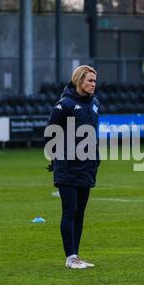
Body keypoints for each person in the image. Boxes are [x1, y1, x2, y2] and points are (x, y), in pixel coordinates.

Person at [45, 65, 100, 270]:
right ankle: (70, 257)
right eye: (89, 81)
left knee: (80, 213)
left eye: (95, 81)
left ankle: (76, 256)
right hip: (67, 165)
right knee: (70, 210)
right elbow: (51, 132)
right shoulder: (65, 105)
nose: (93, 84)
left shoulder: (95, 104)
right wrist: (54, 158)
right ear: (79, 81)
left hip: (87, 166)